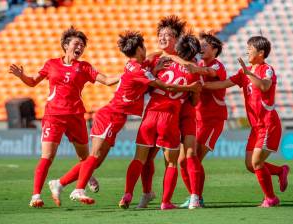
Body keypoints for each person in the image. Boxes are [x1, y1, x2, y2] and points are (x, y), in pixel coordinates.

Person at [49, 30, 200, 206]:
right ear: (138, 50)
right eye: (143, 47)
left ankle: (60, 183)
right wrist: (190, 86)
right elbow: (163, 85)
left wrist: (162, 62)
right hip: (112, 115)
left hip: (126, 117)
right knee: (95, 156)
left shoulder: (136, 66)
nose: (146, 50)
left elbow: (147, 73)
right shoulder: (141, 70)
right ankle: (79, 188)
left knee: (101, 160)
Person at [9, 26, 120, 207]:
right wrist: (22, 76)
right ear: (66, 45)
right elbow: (32, 82)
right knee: (47, 156)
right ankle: (36, 195)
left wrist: (127, 75)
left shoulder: (84, 67)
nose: (80, 47)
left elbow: (107, 80)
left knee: (86, 158)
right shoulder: (51, 64)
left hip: (76, 116)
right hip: (54, 116)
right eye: (77, 44)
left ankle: (86, 176)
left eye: (82, 45)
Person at [204, 36, 290, 207]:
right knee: (251, 165)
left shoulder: (267, 69)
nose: (247, 51)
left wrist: (249, 73)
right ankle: (281, 171)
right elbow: (224, 84)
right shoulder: (244, 72)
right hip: (256, 128)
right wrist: (201, 86)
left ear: (261, 53)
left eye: (250, 48)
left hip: (268, 125)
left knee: (257, 162)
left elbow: (265, 86)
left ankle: (271, 199)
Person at [118, 32, 201, 210]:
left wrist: (155, 68)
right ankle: (165, 202)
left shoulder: (157, 62)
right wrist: (194, 89)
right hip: (170, 117)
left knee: (140, 159)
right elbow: (194, 101)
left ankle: (128, 193)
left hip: (150, 114)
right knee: (171, 162)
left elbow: (147, 86)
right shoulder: (193, 69)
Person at [177, 32, 227, 208]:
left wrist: (196, 70)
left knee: (194, 157)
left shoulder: (218, 66)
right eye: (201, 45)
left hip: (212, 120)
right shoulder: (196, 64)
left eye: (205, 45)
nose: (202, 48)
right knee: (182, 161)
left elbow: (209, 72)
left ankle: (196, 197)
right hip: (196, 119)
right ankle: (194, 195)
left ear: (215, 49)